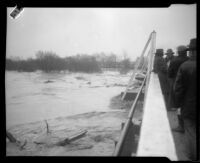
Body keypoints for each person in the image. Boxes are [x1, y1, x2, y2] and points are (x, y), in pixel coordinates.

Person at [174, 38, 196, 160]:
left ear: (191, 52)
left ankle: (193, 155)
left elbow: (178, 89)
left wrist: (178, 104)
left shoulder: (185, 66)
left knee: (190, 130)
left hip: (189, 106)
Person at [167, 45, 189, 133]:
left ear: (178, 52)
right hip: (190, 85)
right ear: (186, 51)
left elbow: (169, 74)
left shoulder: (174, 61)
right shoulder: (189, 60)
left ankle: (181, 126)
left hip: (178, 85)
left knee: (179, 104)